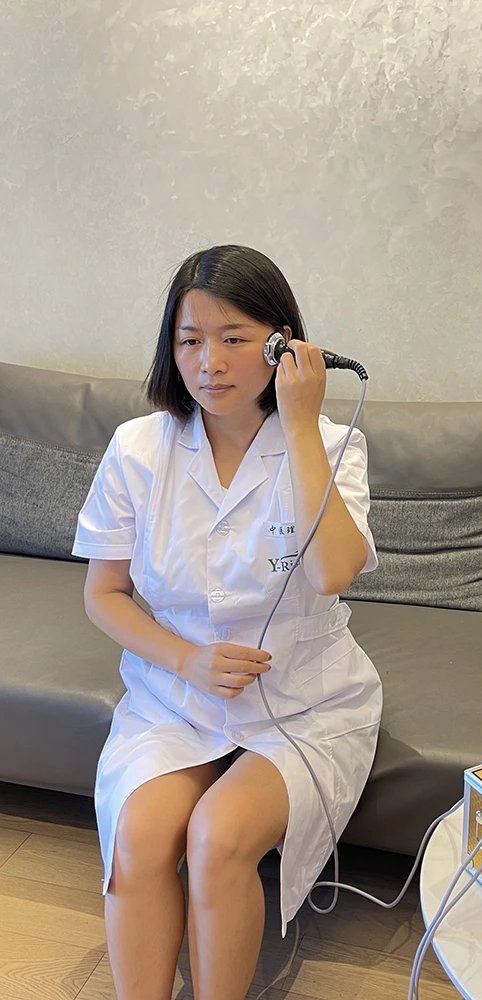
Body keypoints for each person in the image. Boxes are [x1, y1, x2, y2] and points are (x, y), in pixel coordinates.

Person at [72, 245, 382, 1000]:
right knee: (140, 838)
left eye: (234, 338)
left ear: (281, 344)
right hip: (176, 695)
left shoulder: (334, 445)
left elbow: (333, 572)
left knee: (215, 838)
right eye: (189, 340)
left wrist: (300, 426)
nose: (208, 362)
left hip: (304, 704)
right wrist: (185, 660)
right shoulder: (139, 448)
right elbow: (104, 594)